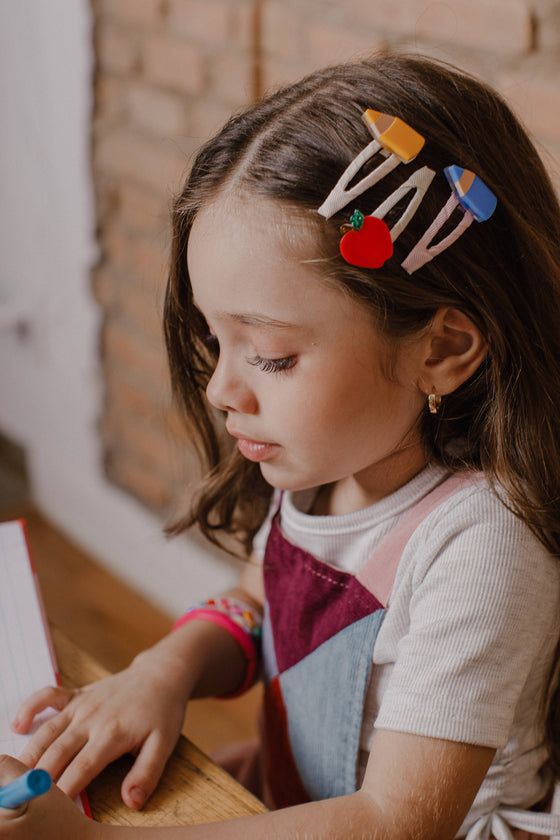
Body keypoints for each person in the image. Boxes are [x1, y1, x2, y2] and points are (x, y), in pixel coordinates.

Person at [2, 52, 560, 840]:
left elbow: (396, 821)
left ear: (442, 348)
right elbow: (266, 601)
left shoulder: (480, 545)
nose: (221, 389)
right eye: (213, 338)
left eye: (269, 355)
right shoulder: (325, 462)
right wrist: (167, 669)